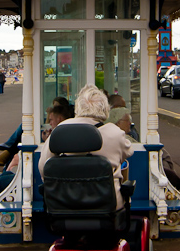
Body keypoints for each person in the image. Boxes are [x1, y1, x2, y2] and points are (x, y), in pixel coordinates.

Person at [39, 84, 132, 212]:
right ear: (105, 109)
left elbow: (44, 168)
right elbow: (128, 152)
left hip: (64, 206)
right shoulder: (116, 133)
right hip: (106, 209)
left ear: (78, 108)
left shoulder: (60, 130)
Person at [106, 106, 180, 192]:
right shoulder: (121, 138)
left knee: (162, 154)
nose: (130, 123)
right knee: (160, 159)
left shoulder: (122, 135)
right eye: (127, 120)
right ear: (118, 123)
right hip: (134, 165)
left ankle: (175, 181)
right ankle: (176, 182)